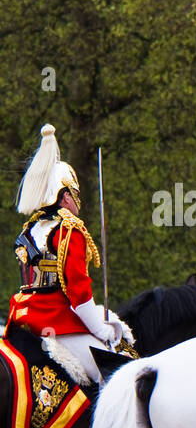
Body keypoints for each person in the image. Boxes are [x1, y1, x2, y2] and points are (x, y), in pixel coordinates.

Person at [8, 124, 131, 383]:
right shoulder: (69, 229)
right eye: (75, 195)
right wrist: (100, 329)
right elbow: (78, 289)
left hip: (22, 317)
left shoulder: (31, 228)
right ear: (64, 196)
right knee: (115, 375)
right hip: (56, 322)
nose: (77, 202)